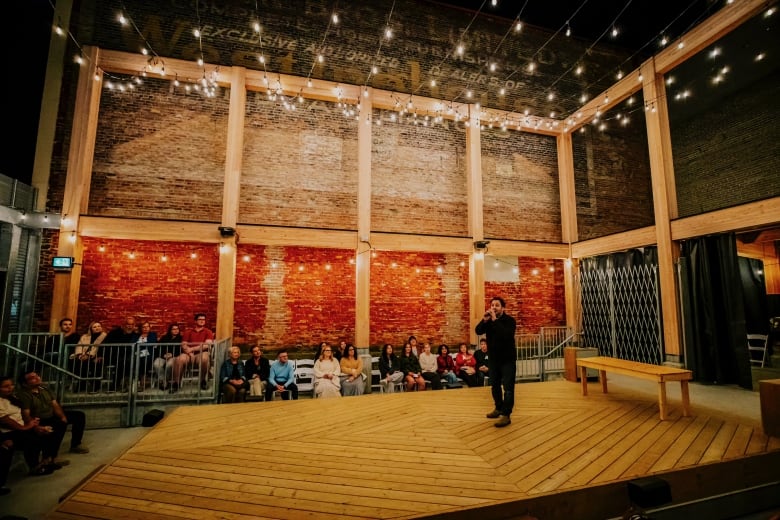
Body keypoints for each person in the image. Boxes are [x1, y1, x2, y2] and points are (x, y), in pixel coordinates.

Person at [17, 370, 90, 471]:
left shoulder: (44, 388)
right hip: (39, 420)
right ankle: (51, 457)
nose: (37, 378)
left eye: (37, 375)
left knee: (78, 416)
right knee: (57, 427)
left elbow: (54, 404)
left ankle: (75, 444)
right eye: (32, 378)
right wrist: (35, 426)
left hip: (51, 415)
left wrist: (63, 417)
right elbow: (26, 414)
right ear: (25, 383)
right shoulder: (24, 394)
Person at [475, 296, 517, 428]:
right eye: (492, 305)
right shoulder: (488, 321)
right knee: (495, 386)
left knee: (508, 389)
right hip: (493, 360)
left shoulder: (510, 321)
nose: (494, 307)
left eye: (497, 305)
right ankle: (498, 408)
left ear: (503, 308)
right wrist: (484, 320)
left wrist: (494, 320)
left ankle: (506, 415)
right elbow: (478, 331)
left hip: (507, 360)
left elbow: (506, 335)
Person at [0, 374, 48, 487]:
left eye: (11, 385)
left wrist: (33, 423)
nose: (10, 388)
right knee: (27, 440)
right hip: (7, 432)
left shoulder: (12, 398)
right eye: (5, 386)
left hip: (19, 428)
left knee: (43, 432)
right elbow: (6, 421)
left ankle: (43, 462)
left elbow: (22, 414)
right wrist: (26, 427)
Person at [171, 313, 214, 393]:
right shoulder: (188, 332)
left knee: (204, 358)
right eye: (200, 319)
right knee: (179, 359)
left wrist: (192, 349)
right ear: (195, 321)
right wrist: (189, 352)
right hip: (188, 354)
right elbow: (184, 344)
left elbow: (206, 345)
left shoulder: (208, 332)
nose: (202, 321)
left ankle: (202, 381)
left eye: (203, 320)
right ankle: (176, 383)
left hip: (201, 353)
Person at [104, 316, 140, 391]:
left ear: (134, 326)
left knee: (128, 361)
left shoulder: (135, 335)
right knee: (122, 362)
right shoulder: (114, 333)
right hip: (114, 355)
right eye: (128, 324)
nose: (129, 326)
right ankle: (120, 384)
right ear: (123, 325)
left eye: (132, 325)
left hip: (128, 357)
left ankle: (121, 385)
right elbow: (105, 344)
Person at [70, 321, 106, 392]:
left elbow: (97, 348)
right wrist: (80, 354)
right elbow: (79, 346)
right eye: (94, 327)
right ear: (91, 328)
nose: (97, 328)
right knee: (78, 363)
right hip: (83, 355)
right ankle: (81, 384)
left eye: (99, 326)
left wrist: (88, 355)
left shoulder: (104, 336)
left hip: (95, 356)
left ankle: (95, 387)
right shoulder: (85, 336)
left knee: (94, 365)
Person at [153, 323, 182, 391]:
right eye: (174, 329)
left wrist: (172, 355)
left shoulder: (181, 338)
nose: (176, 330)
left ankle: (166, 381)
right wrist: (163, 355)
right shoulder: (164, 337)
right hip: (163, 356)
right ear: (170, 330)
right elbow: (158, 348)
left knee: (169, 365)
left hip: (174, 356)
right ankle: (164, 381)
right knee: (156, 364)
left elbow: (181, 350)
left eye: (177, 329)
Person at [135, 321, 158, 391]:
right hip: (136, 354)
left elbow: (151, 343)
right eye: (143, 327)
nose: (145, 328)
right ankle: (131, 382)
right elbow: (132, 344)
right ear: (141, 328)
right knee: (130, 360)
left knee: (144, 360)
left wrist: (140, 344)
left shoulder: (153, 335)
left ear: (149, 327)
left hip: (149, 354)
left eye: (147, 327)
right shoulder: (136, 335)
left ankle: (142, 381)